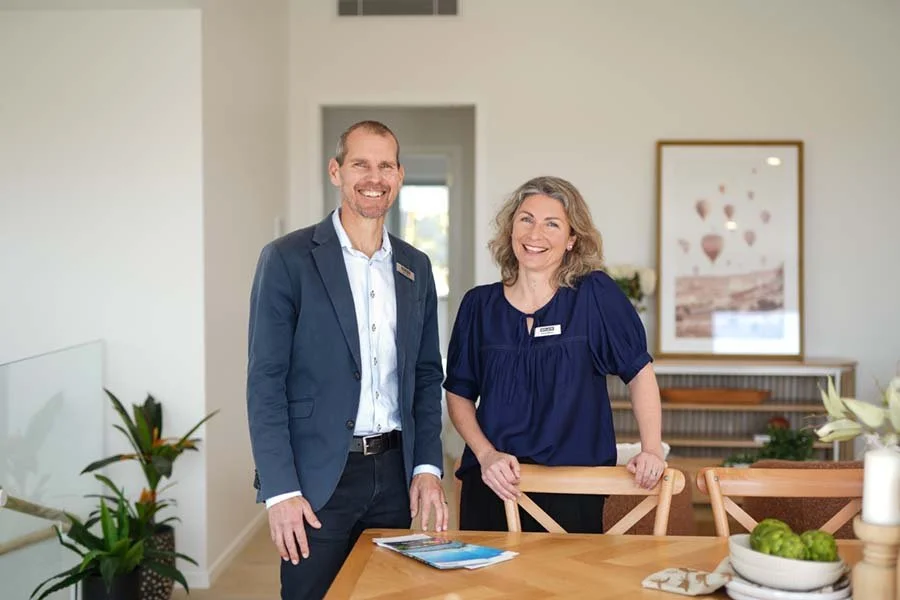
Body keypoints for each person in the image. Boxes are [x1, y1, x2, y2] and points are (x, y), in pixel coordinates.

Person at [247, 120, 448, 600]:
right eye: (361, 164)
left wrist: (427, 466)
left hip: (395, 475)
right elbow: (265, 383)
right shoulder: (287, 259)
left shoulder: (416, 267)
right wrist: (280, 491)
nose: (374, 178)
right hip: (317, 479)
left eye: (385, 166)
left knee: (388, 595)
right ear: (336, 171)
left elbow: (426, 376)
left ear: (399, 175)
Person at [444, 175, 665, 533]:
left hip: (574, 489)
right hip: (495, 484)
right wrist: (486, 454)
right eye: (526, 219)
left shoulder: (594, 295)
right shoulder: (478, 306)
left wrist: (651, 449)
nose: (535, 234)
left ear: (572, 239)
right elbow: (458, 393)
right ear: (511, 228)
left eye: (552, 224)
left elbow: (640, 373)